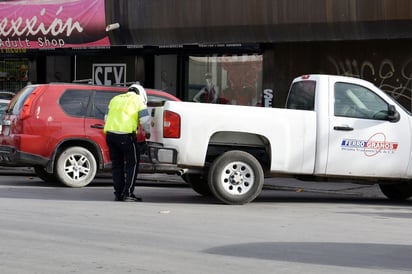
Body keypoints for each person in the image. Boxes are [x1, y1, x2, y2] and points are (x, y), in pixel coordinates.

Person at [104, 84, 151, 202]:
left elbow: (106, 117)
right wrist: (148, 132)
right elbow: (145, 120)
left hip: (110, 135)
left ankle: (118, 193)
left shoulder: (115, 99)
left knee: (117, 165)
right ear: (141, 93)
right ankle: (128, 193)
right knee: (133, 163)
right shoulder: (138, 100)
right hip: (126, 136)